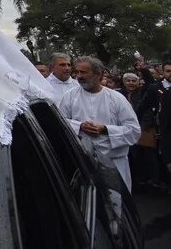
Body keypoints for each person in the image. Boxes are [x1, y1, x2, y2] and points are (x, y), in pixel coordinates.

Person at [59, 57, 141, 191]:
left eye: (84, 72)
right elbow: (60, 123)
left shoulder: (117, 98)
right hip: (82, 164)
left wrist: (105, 129)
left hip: (114, 163)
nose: (79, 76)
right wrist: (79, 127)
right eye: (78, 72)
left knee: (116, 205)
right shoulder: (69, 96)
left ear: (99, 74)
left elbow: (134, 131)